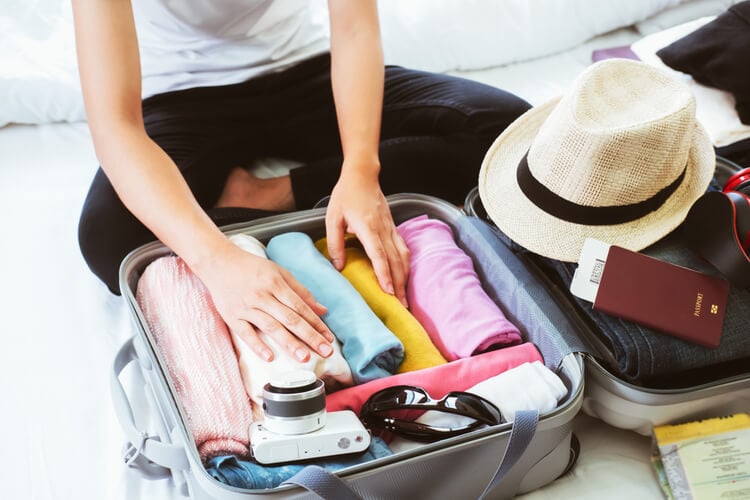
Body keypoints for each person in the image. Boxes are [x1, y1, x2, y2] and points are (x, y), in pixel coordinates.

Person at [72, 0, 531, 364]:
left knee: (507, 135)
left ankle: (266, 196)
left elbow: (354, 30)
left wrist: (360, 170)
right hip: (181, 97)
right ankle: (277, 211)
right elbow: (115, 126)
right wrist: (216, 259)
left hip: (308, 72)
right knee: (110, 239)